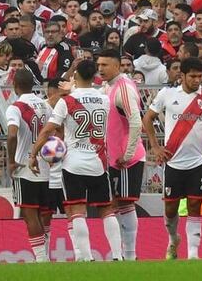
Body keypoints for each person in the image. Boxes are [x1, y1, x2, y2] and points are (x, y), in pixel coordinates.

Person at [30, 60, 121, 262]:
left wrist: (33, 154)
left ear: (76, 75)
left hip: (73, 163)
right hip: (98, 162)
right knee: (106, 209)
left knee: (77, 211)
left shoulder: (66, 101)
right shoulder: (104, 99)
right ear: (94, 75)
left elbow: (47, 130)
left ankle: (86, 258)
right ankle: (117, 256)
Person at [143, 57, 202, 260]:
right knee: (171, 208)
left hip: (197, 161)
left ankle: (193, 254)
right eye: (192, 76)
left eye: (200, 76)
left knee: (195, 205)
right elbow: (148, 118)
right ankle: (173, 239)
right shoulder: (167, 94)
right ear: (182, 75)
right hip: (173, 161)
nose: (197, 80)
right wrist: (155, 146)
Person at [98, 48, 146, 260]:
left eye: (104, 65)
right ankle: (124, 254)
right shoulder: (108, 86)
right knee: (115, 203)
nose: (100, 69)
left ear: (117, 66)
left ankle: (130, 255)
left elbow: (136, 122)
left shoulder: (124, 88)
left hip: (126, 159)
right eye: (99, 65)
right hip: (113, 157)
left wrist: (128, 153)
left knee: (125, 203)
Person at [5, 69, 55, 263]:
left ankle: (41, 259)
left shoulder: (15, 107)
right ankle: (45, 255)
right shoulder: (45, 105)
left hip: (24, 168)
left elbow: (12, 135)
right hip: (45, 166)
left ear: (15, 86)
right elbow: (54, 132)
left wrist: (11, 161)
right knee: (45, 213)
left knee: (29, 213)